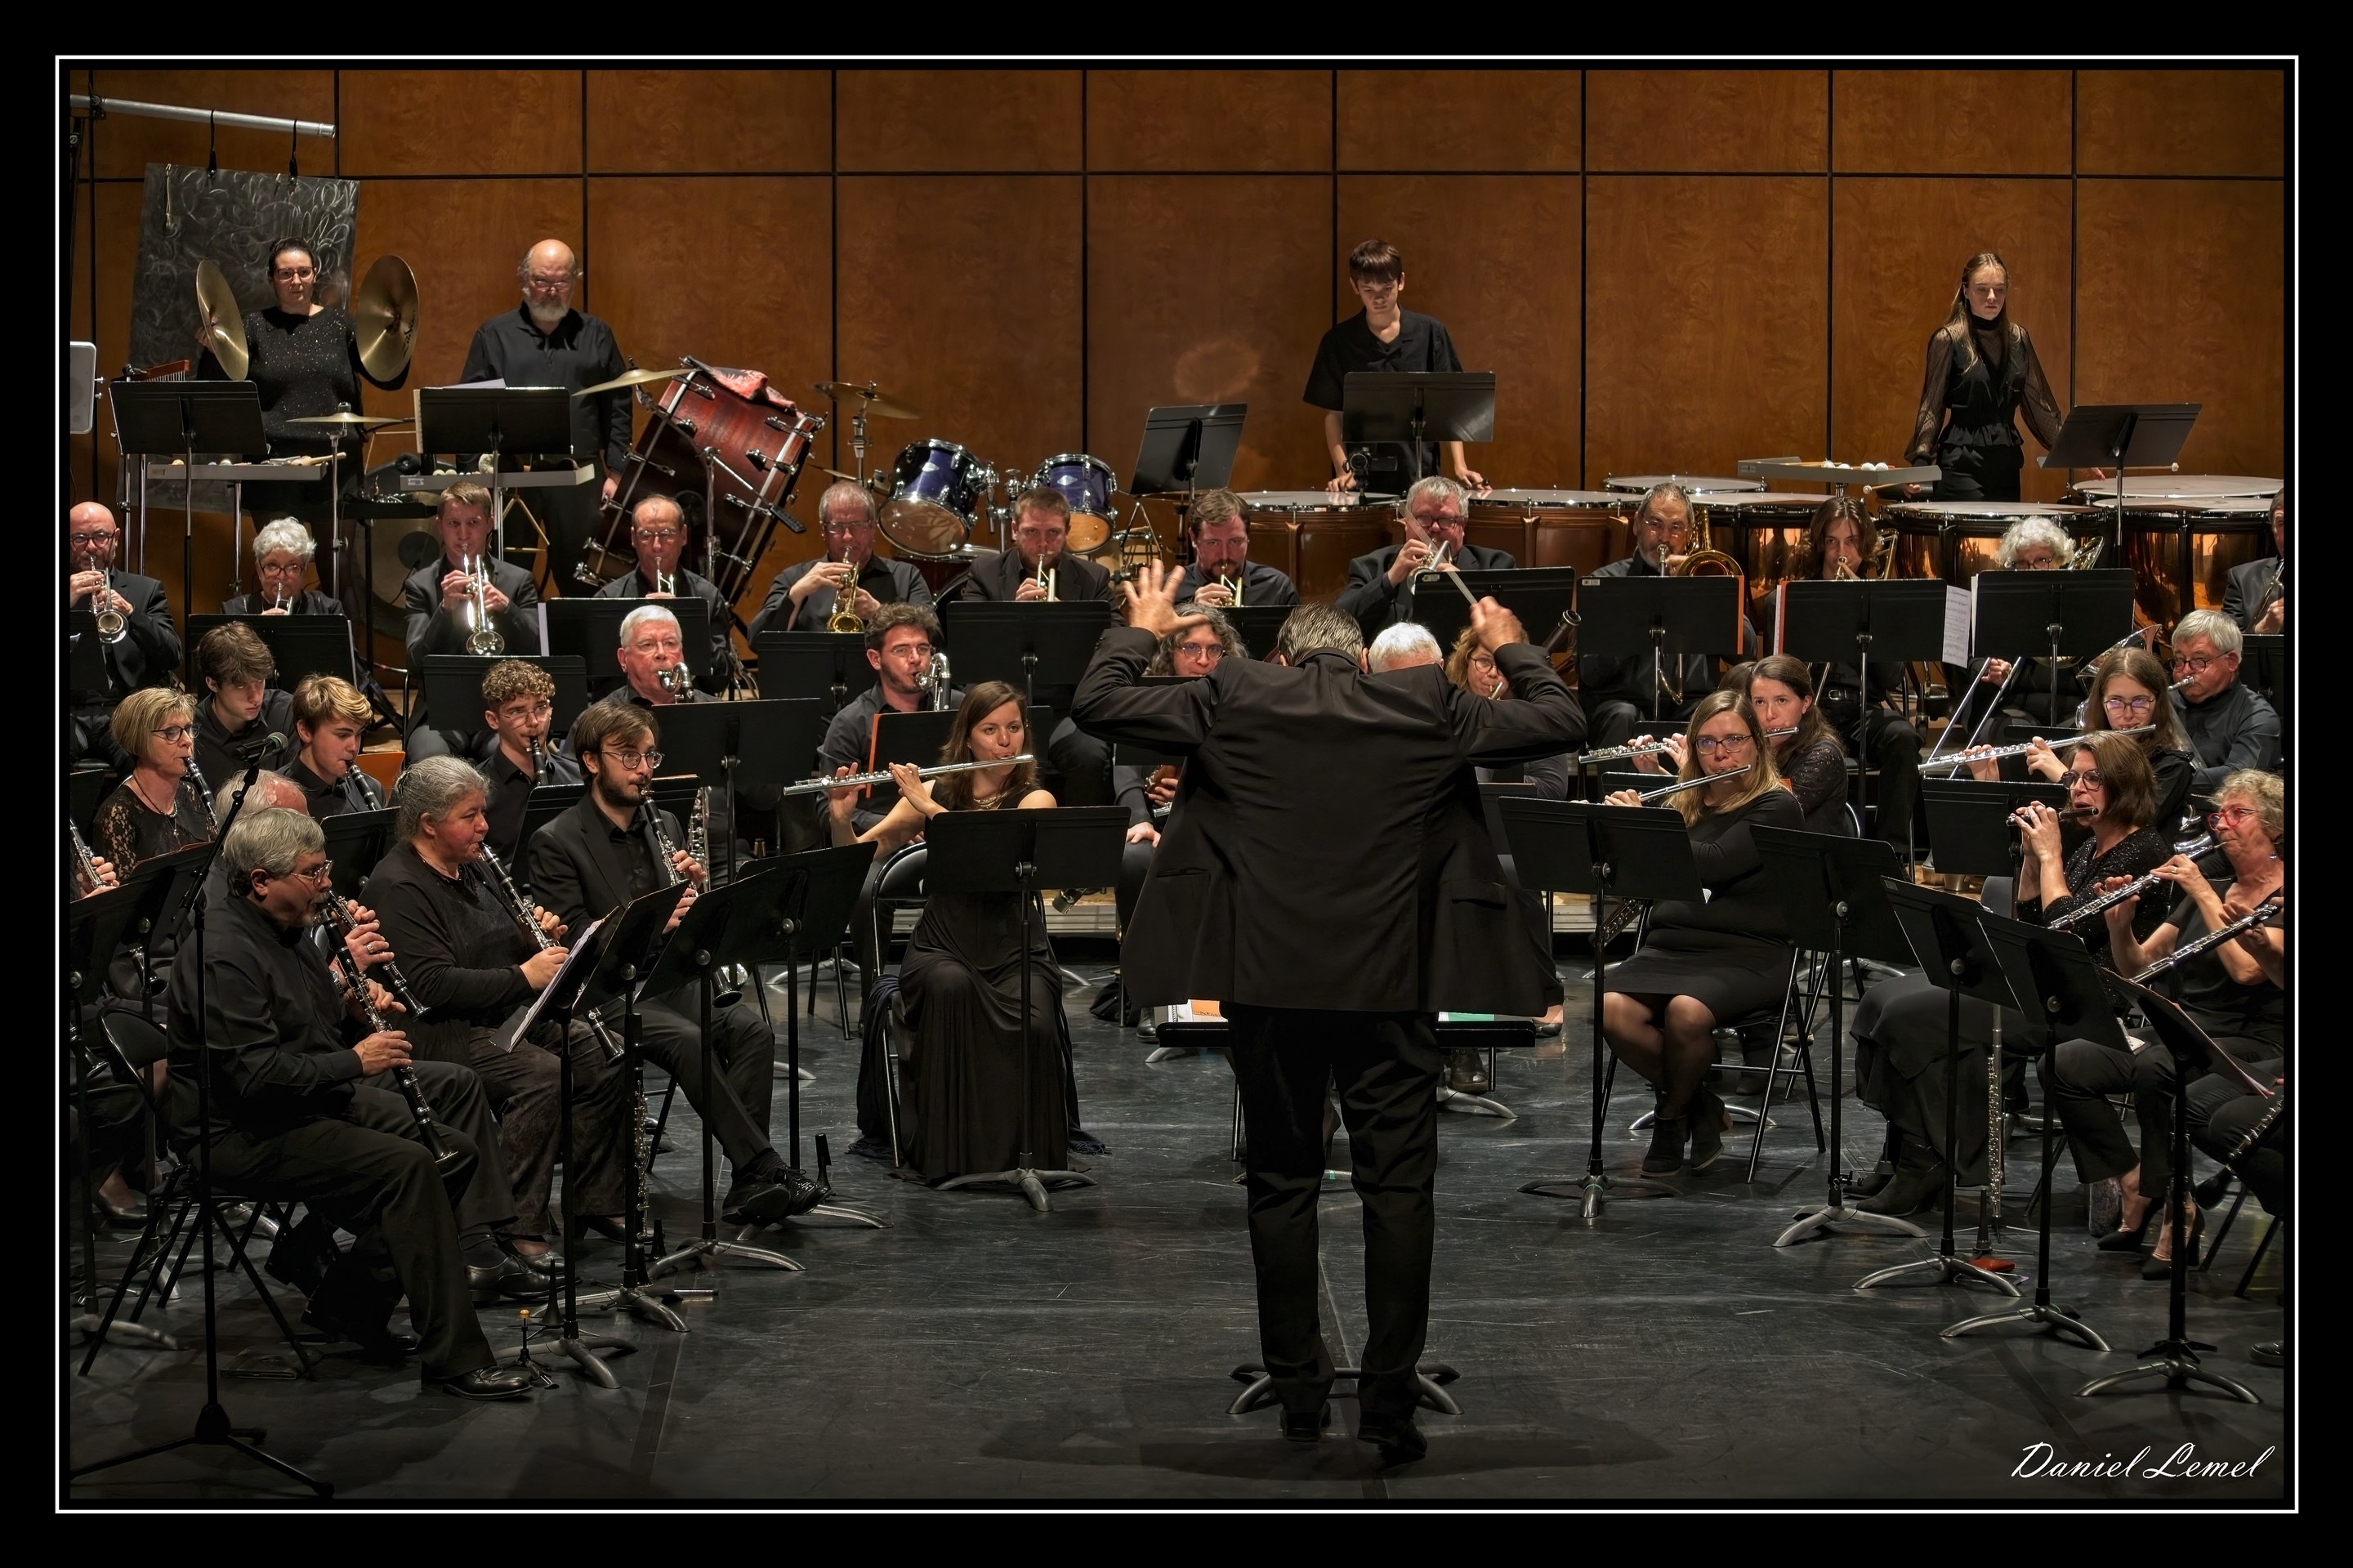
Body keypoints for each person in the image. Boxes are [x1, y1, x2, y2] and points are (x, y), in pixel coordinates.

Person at [1073, 570, 1581, 1463]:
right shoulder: (1424, 701)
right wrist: (1507, 641)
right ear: (1361, 662)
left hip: (1270, 987)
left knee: (1281, 1183)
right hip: (1391, 991)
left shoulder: (1235, 692)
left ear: (1280, 656)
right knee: (1398, 1189)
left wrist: (1144, 627)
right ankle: (1388, 1403)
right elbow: (1561, 721)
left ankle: (1300, 1394)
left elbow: (1097, 703)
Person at [167, 806, 531, 1399]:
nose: (327, 883)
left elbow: (304, 1025)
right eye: (313, 873)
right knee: (412, 1167)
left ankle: (346, 1304)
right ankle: (455, 1358)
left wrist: (350, 1005)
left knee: (453, 1151)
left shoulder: (288, 929)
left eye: (325, 867)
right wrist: (356, 1061)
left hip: (303, 1099)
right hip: (240, 1130)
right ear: (261, 880)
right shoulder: (224, 953)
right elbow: (254, 1077)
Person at [1851, 730, 2172, 1216]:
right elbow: (2033, 927)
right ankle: (1904, 1156)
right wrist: (2028, 865)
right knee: (1882, 999)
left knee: (1915, 1017)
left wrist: (2050, 857)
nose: (2078, 788)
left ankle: (1925, 1165)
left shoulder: (2142, 851)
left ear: (2125, 787)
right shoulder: (2092, 847)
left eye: (2093, 779)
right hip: (2037, 985)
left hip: (2081, 1002)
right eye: (2076, 777)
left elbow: (2070, 931)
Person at [526, 701, 817, 1224]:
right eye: (627, 757)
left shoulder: (662, 823)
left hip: (664, 978)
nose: (642, 769)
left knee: (751, 1031)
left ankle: (748, 1181)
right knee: (689, 1038)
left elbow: (686, 924)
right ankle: (763, 1168)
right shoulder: (557, 841)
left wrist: (696, 895)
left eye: (649, 756)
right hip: (603, 992)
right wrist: (653, 920)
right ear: (591, 762)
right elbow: (574, 939)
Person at [365, 757, 632, 1269]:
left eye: (482, 812)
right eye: (469, 816)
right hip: (442, 1031)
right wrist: (523, 976)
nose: (484, 826)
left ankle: (595, 1198)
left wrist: (537, 933)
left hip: (499, 1014)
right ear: (429, 824)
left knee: (601, 1053)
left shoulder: (476, 865)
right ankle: (513, 1224)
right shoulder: (400, 885)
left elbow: (500, 940)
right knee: (543, 1078)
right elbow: (431, 985)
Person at [824, 683, 1096, 1185]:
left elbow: (991, 860)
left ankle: (1029, 1156)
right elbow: (857, 858)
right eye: (990, 730)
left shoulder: (1035, 797)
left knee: (1036, 1019)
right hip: (944, 943)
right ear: (967, 739)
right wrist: (840, 817)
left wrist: (929, 810)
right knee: (950, 989)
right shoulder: (942, 791)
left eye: (1014, 728)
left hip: (1015, 944)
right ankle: (950, 1154)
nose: (1005, 741)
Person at [2042, 770, 2285, 1279]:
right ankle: (2134, 1179)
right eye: (2219, 814)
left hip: (2253, 1042)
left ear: (2276, 827)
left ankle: (2178, 1211)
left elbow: (2246, 970)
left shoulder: (2283, 897)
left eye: (2238, 814)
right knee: (2064, 1062)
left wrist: (2200, 891)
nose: (2222, 825)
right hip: (2185, 1028)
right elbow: (2138, 968)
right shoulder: (2213, 887)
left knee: (2157, 1068)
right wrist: (2121, 925)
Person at [1597, 690, 1803, 1174]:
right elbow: (1643, 882)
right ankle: (1702, 1105)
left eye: (1733, 739)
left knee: (1687, 1013)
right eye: (1707, 742)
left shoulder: (1776, 805)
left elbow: (1713, 865)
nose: (1721, 752)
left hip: (1750, 952)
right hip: (1672, 946)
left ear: (1757, 744)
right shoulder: (1682, 803)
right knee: (1610, 1007)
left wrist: (1646, 828)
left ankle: (1671, 1118)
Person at [195, 236, 408, 589]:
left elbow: (388, 377)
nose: (296, 281)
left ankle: (345, 644)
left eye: (304, 272)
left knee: (337, 574)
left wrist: (399, 336)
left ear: (315, 275)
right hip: (271, 465)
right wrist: (212, 349)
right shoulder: (252, 327)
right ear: (271, 279)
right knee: (279, 573)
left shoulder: (342, 326)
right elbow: (217, 385)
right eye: (286, 274)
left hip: (337, 462)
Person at [458, 239, 629, 581]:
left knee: (582, 579)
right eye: (542, 280)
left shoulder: (596, 334)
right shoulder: (494, 335)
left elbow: (618, 406)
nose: (552, 291)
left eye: (562, 281)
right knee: (506, 579)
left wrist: (616, 473)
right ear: (524, 280)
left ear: (573, 282)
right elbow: (471, 409)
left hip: (579, 475)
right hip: (511, 474)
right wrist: (472, 481)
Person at [1442, 625, 1574, 1048]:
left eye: (1502, 665)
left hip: (1510, 835)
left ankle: (1543, 990)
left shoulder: (1531, 718)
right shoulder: (1447, 708)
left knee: (1511, 873)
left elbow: (1552, 789)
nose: (1493, 674)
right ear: (1465, 663)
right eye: (1484, 662)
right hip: (1450, 833)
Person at [1769, 498, 1924, 849]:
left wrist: (1870, 614)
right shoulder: (1793, 598)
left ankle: (1892, 851)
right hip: (1810, 711)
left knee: (1902, 736)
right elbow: (1777, 671)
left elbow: (1888, 679)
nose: (1842, 552)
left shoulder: (1877, 599)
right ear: (1820, 544)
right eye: (1833, 542)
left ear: (1864, 546)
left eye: (1852, 542)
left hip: (1858, 713)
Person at [1903, 252, 2101, 503]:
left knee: (2007, 541)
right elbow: (1931, 406)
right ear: (1965, 291)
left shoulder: (2019, 339)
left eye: (1999, 289)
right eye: (1982, 289)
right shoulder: (1948, 339)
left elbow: (2040, 408)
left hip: (2006, 464)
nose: (1992, 298)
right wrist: (1920, 464)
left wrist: (2075, 454)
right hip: (1961, 465)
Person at [1577, 483, 1751, 751]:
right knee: (1621, 715)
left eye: (1676, 528)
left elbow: (1747, 651)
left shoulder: (1703, 579)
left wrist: (1705, 593)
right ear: (1637, 524)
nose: (1664, 537)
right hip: (1621, 706)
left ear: (1688, 533)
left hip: (1690, 704)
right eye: (1655, 524)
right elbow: (1589, 673)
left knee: (1715, 717)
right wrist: (1639, 614)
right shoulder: (1604, 581)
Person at [1963, 644, 2200, 836]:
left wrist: (2064, 778)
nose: (2128, 715)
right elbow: (2046, 827)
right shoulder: (2084, 754)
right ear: (2101, 703)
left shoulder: (2172, 767)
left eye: (2140, 702)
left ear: (2158, 703)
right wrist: (1990, 787)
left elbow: (2130, 830)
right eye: (2116, 702)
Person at [1307, 239, 1484, 496]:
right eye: (1368, 290)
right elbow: (1334, 415)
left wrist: (1460, 465)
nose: (1379, 298)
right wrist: (1343, 470)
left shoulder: (1430, 333)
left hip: (1420, 470)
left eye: (1387, 288)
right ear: (1354, 287)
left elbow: (1450, 408)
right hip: (1362, 476)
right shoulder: (1338, 342)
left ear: (1401, 281)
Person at [401, 480, 542, 760]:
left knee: (512, 758)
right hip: (439, 714)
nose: (463, 535)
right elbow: (415, 663)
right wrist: (444, 609)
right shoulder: (421, 585)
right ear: (439, 524)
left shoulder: (518, 581)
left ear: (490, 523)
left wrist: (507, 608)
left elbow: (539, 652)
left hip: (504, 709)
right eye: (454, 523)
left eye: (473, 523)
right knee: (430, 760)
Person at [814, 603, 959, 844]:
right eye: (902, 650)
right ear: (875, 659)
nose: (916, 659)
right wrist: (892, 825)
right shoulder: (850, 723)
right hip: (884, 843)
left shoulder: (959, 706)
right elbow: (826, 808)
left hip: (953, 833)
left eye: (923, 649)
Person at [67, 503, 181, 766]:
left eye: (100, 537)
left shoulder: (146, 590)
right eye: (79, 539)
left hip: (124, 710)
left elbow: (172, 655)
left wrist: (131, 613)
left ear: (116, 538)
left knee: (144, 762)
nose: (92, 547)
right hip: (68, 708)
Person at [1334, 474, 1514, 640]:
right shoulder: (1370, 566)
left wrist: (1464, 586)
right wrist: (1388, 581)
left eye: (1445, 520)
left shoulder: (1495, 565)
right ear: (1407, 522)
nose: (1434, 528)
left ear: (1463, 525)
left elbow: (1511, 632)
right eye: (1423, 518)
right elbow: (1335, 623)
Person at [749, 480, 934, 637]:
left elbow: (936, 638)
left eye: (856, 525)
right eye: (837, 527)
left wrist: (880, 613)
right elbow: (758, 640)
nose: (847, 537)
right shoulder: (793, 578)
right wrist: (795, 595)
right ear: (823, 531)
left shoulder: (906, 576)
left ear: (872, 528)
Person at [593, 495, 736, 691]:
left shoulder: (707, 597)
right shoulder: (608, 599)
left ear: (683, 535)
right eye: (646, 535)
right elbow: (599, 684)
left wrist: (687, 624)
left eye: (667, 534)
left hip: (688, 709)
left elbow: (720, 679)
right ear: (633, 538)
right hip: (628, 714)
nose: (657, 546)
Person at [1712, 655, 1849, 837]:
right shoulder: (1753, 745)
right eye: (1760, 702)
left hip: (1805, 858)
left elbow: (1771, 814)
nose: (1769, 714)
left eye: (1781, 701)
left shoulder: (1823, 755)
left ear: (1805, 703)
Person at [473, 659, 581, 864]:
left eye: (541, 708)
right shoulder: (477, 791)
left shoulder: (578, 777)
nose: (533, 722)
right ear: (493, 720)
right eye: (518, 711)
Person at [92, 687, 212, 873]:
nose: (187, 740)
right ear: (139, 740)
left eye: (188, 729)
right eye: (171, 732)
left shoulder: (189, 792)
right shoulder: (117, 814)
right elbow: (125, 897)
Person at [2167, 609, 2281, 796]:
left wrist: (2164, 778)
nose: (2185, 671)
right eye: (2179, 660)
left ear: (2231, 661)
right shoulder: (2164, 704)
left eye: (2199, 660)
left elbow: (2239, 778)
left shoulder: (2258, 716)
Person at [959, 485, 1114, 605]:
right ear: (1015, 530)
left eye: (1053, 532)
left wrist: (1067, 621)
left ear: (1067, 531)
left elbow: (1113, 640)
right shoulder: (984, 574)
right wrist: (1016, 617)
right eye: (1032, 531)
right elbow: (972, 639)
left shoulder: (1095, 579)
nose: (1043, 543)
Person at [191, 622, 296, 789]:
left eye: (259, 681)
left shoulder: (285, 712)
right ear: (212, 683)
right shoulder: (189, 731)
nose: (255, 697)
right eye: (241, 685)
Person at [1174, 488, 1300, 609]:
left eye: (1234, 542)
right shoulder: (1170, 592)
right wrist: (1192, 613)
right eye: (1213, 543)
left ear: (1248, 537)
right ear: (1194, 538)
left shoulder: (1277, 588)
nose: (1224, 556)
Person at [279, 674, 384, 818]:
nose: (354, 747)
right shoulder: (275, 799)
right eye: (342, 735)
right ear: (305, 731)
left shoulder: (373, 789)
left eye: (359, 734)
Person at [222, 517, 343, 616]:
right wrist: (258, 628)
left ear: (304, 570)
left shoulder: (328, 610)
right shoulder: (233, 611)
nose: (281, 576)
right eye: (272, 566)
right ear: (259, 570)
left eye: (292, 567)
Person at [2223, 486, 2286, 634]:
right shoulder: (2242, 579)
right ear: (2273, 528)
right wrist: (2262, 629)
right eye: (2281, 523)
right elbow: (2224, 651)